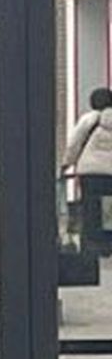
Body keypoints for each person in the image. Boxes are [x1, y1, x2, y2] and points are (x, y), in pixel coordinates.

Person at [65, 86, 112, 254]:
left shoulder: (89, 119)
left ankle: (93, 243)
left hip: (90, 172)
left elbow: (75, 143)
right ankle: (108, 241)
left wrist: (67, 162)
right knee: (109, 207)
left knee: (90, 206)